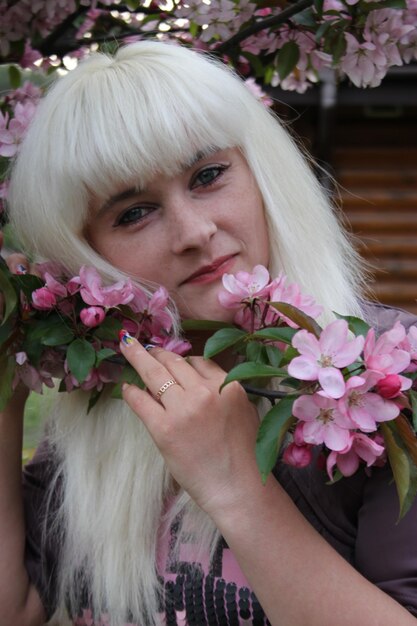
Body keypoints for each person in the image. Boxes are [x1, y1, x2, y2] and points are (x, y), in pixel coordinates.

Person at [1, 40, 417, 626]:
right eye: (133, 212)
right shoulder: (110, 395)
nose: (194, 231)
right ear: (84, 254)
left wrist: (235, 486)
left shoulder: (387, 376)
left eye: (209, 174)